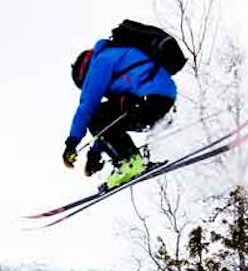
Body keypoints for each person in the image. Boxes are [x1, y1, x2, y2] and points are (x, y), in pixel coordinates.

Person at [62, 35, 177, 189]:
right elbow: (110, 124)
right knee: (107, 114)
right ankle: (129, 160)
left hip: (149, 100)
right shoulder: (115, 56)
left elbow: (88, 106)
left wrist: (72, 143)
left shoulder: (100, 62)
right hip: (160, 101)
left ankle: (129, 162)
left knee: (95, 116)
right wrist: (95, 153)